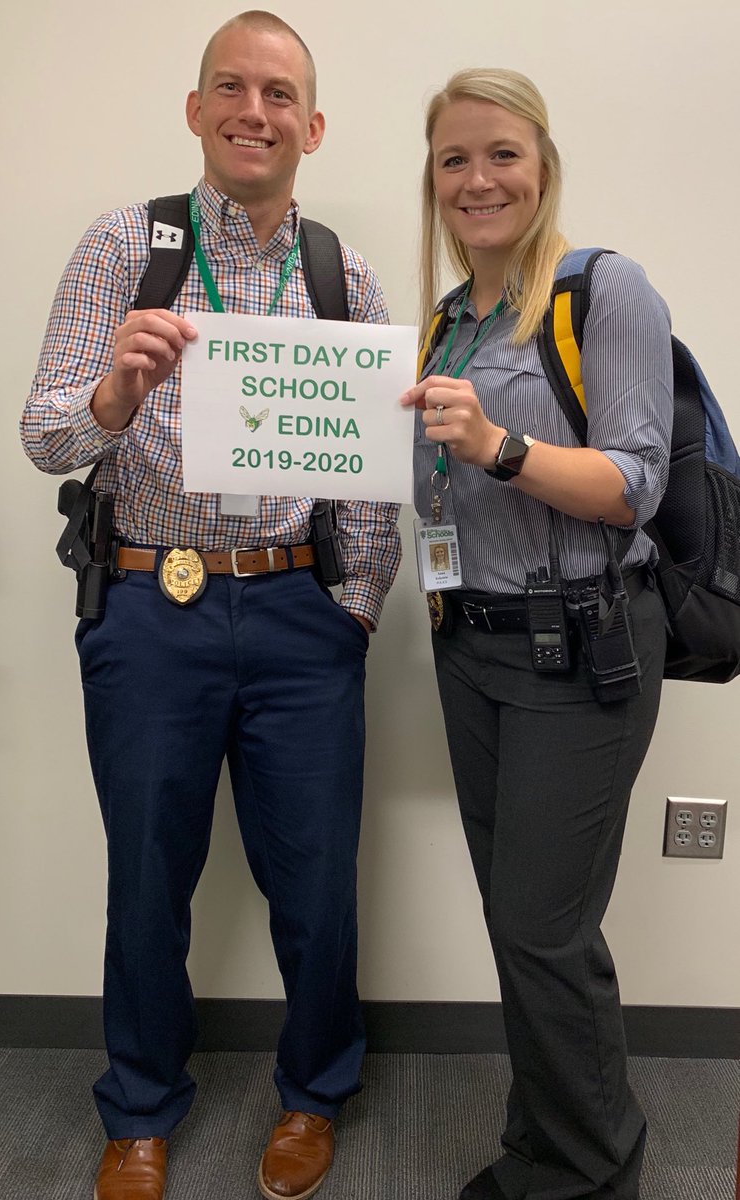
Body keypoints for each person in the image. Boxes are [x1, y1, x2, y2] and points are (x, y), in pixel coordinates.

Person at [21, 12, 400, 1200]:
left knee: (318, 877)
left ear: (313, 126)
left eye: (279, 93)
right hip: (150, 609)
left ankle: (313, 1092)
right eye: (229, 88)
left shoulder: (346, 272)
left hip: (299, 621)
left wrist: (352, 608)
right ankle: (137, 1109)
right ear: (195, 111)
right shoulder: (124, 245)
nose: (254, 110)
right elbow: (43, 438)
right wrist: (119, 388)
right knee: (146, 875)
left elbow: (371, 473)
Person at [401, 69, 672, 1200]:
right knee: (523, 926)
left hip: (584, 646)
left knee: (540, 928)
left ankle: (587, 1170)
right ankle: (549, 1132)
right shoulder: (447, 321)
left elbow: (635, 485)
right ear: (433, 182)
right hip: (471, 644)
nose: (478, 179)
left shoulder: (601, 291)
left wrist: (497, 447)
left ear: (543, 165)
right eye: (454, 160)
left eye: (500, 153)